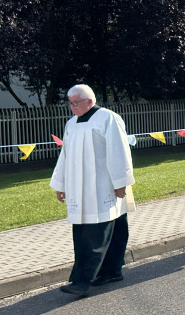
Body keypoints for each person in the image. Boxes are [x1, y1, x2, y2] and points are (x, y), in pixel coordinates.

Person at [50, 84, 135, 298]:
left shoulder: (108, 118)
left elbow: (118, 150)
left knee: (97, 234)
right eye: (69, 102)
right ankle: (112, 271)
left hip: (103, 186)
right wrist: (60, 184)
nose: (72, 107)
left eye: (75, 102)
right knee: (108, 230)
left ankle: (82, 281)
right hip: (79, 188)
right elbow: (65, 155)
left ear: (89, 101)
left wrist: (120, 182)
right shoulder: (71, 124)